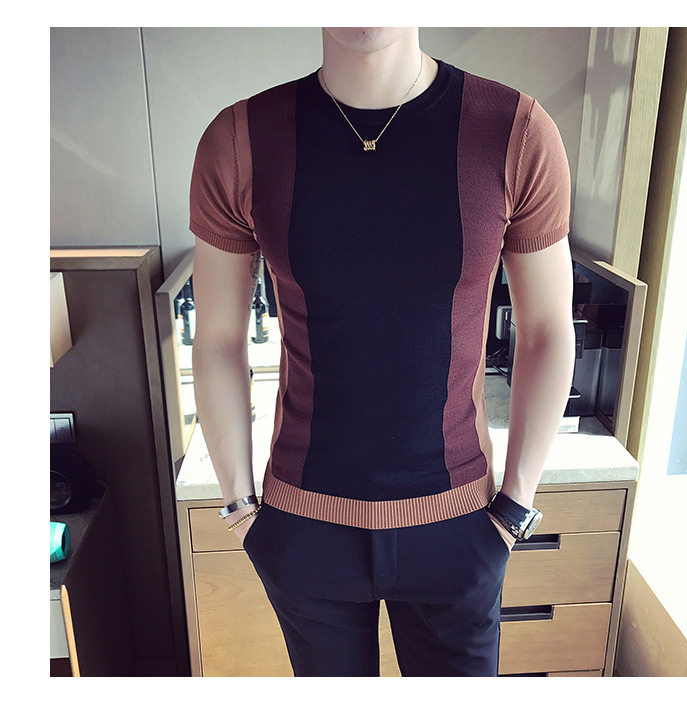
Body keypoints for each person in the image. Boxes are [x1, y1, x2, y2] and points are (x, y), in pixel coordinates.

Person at [189, 27, 575, 677]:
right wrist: (240, 509)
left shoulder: (514, 131)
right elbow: (219, 339)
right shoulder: (240, 139)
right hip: (304, 531)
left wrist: (514, 509)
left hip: (461, 527)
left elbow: (546, 330)